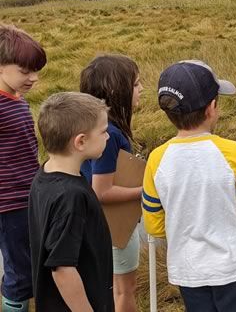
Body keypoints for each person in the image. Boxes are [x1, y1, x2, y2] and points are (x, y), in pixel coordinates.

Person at [142, 60, 236, 312]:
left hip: (187, 269)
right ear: (212, 108)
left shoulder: (156, 159)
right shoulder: (235, 153)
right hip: (234, 266)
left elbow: (153, 225)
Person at [28, 92, 114, 311]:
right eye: (103, 131)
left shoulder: (44, 175)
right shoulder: (71, 196)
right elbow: (62, 268)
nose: (108, 137)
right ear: (81, 141)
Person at [79, 54, 143, 312]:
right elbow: (101, 191)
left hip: (100, 226)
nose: (141, 90)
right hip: (114, 227)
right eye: (136, 84)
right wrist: (148, 189)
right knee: (124, 290)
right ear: (117, 90)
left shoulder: (99, 127)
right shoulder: (110, 135)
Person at [0, 24, 47, 312]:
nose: (33, 78)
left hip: (27, 196)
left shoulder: (16, 97)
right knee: (20, 274)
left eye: (36, 70)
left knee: (28, 267)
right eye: (25, 70)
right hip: (8, 204)